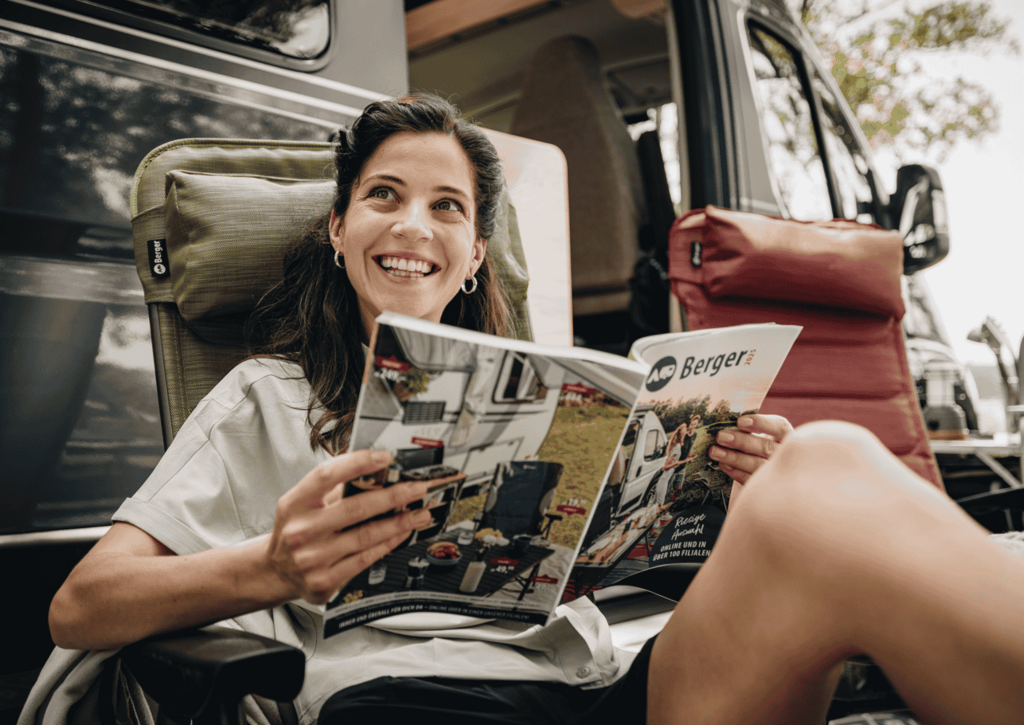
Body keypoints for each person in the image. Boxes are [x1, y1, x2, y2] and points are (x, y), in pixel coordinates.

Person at [45, 95, 1024, 725]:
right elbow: (81, 603)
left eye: (449, 207)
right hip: (404, 703)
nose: (413, 224)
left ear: (473, 255)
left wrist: (729, 496)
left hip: (601, 689)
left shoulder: (565, 394)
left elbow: (639, 573)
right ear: (339, 228)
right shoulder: (268, 394)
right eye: (384, 194)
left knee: (824, 464)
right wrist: (267, 565)